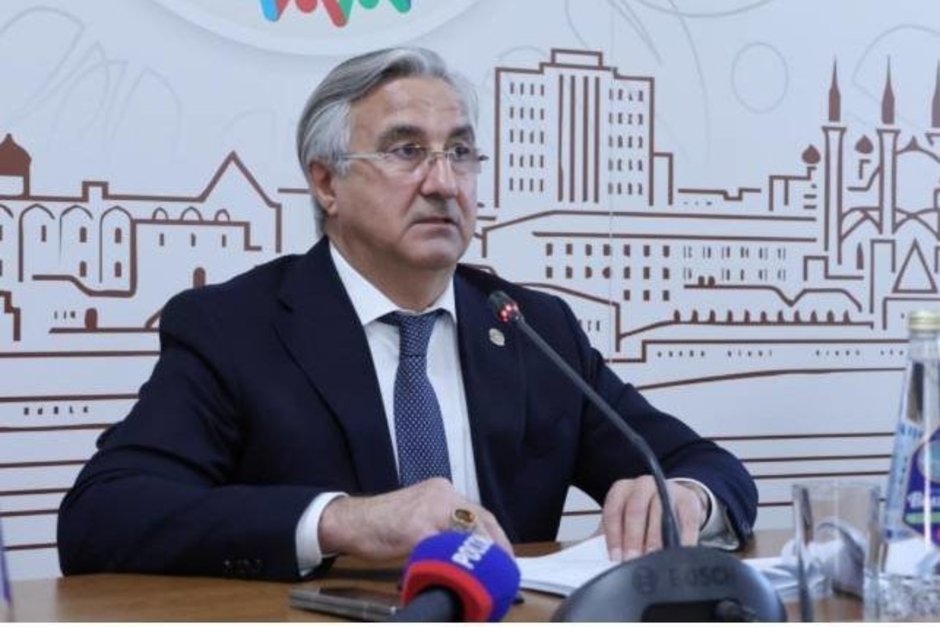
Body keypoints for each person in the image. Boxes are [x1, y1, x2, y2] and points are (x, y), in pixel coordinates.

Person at [57, 47, 757, 581]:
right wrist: (343, 520)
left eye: (461, 153)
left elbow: (707, 467)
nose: (444, 182)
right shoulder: (235, 328)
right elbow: (103, 514)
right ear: (326, 182)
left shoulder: (530, 326)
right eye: (407, 151)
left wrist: (687, 498)